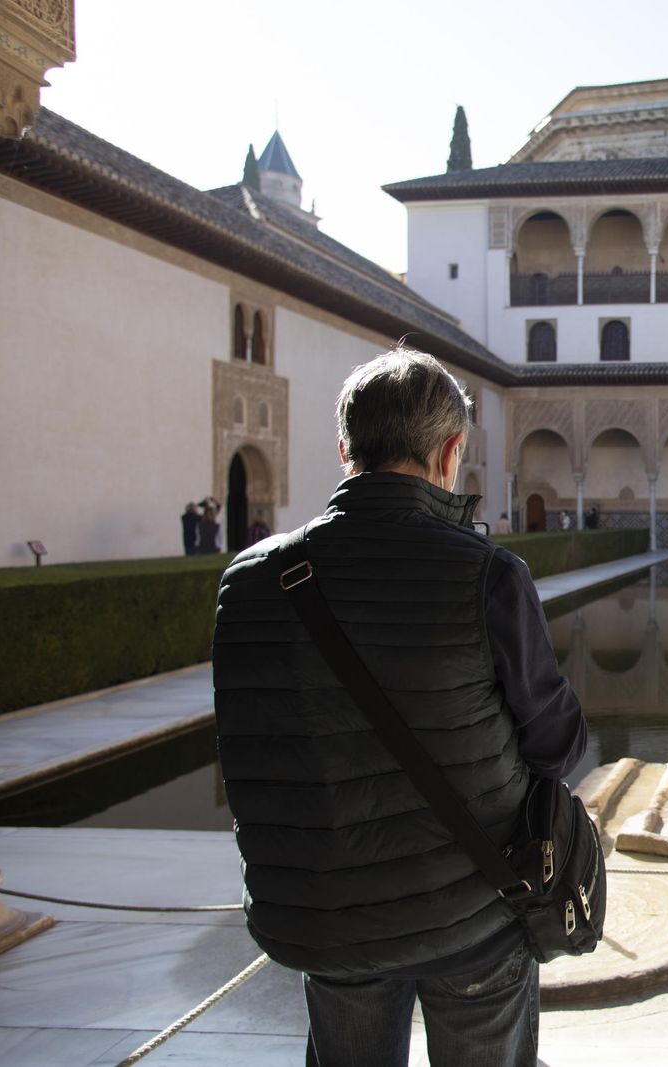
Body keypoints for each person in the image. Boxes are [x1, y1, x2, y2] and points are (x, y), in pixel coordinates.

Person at [212, 349, 587, 1066]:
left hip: (328, 918)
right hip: (474, 916)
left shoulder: (249, 582)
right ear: (451, 453)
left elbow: (247, 752)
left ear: (346, 449)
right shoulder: (487, 573)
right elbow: (556, 745)